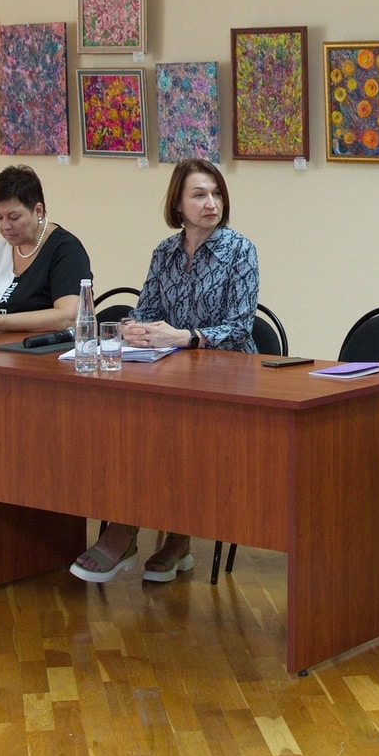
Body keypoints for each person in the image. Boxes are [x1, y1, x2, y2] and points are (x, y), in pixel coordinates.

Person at [69, 158, 258, 586]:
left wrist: (185, 336)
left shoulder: (239, 250)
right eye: (199, 195)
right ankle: (143, 530)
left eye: (216, 194)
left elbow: (240, 327)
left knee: (174, 434)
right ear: (178, 204)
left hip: (226, 377)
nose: (211, 203)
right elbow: (146, 309)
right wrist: (135, 328)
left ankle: (151, 534)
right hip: (170, 372)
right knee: (129, 427)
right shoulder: (165, 252)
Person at [0, 165, 92, 335]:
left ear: (38, 211)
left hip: (47, 347)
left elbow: (67, 316)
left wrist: (0, 322)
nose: (5, 226)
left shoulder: (66, 250)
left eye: (14, 217)